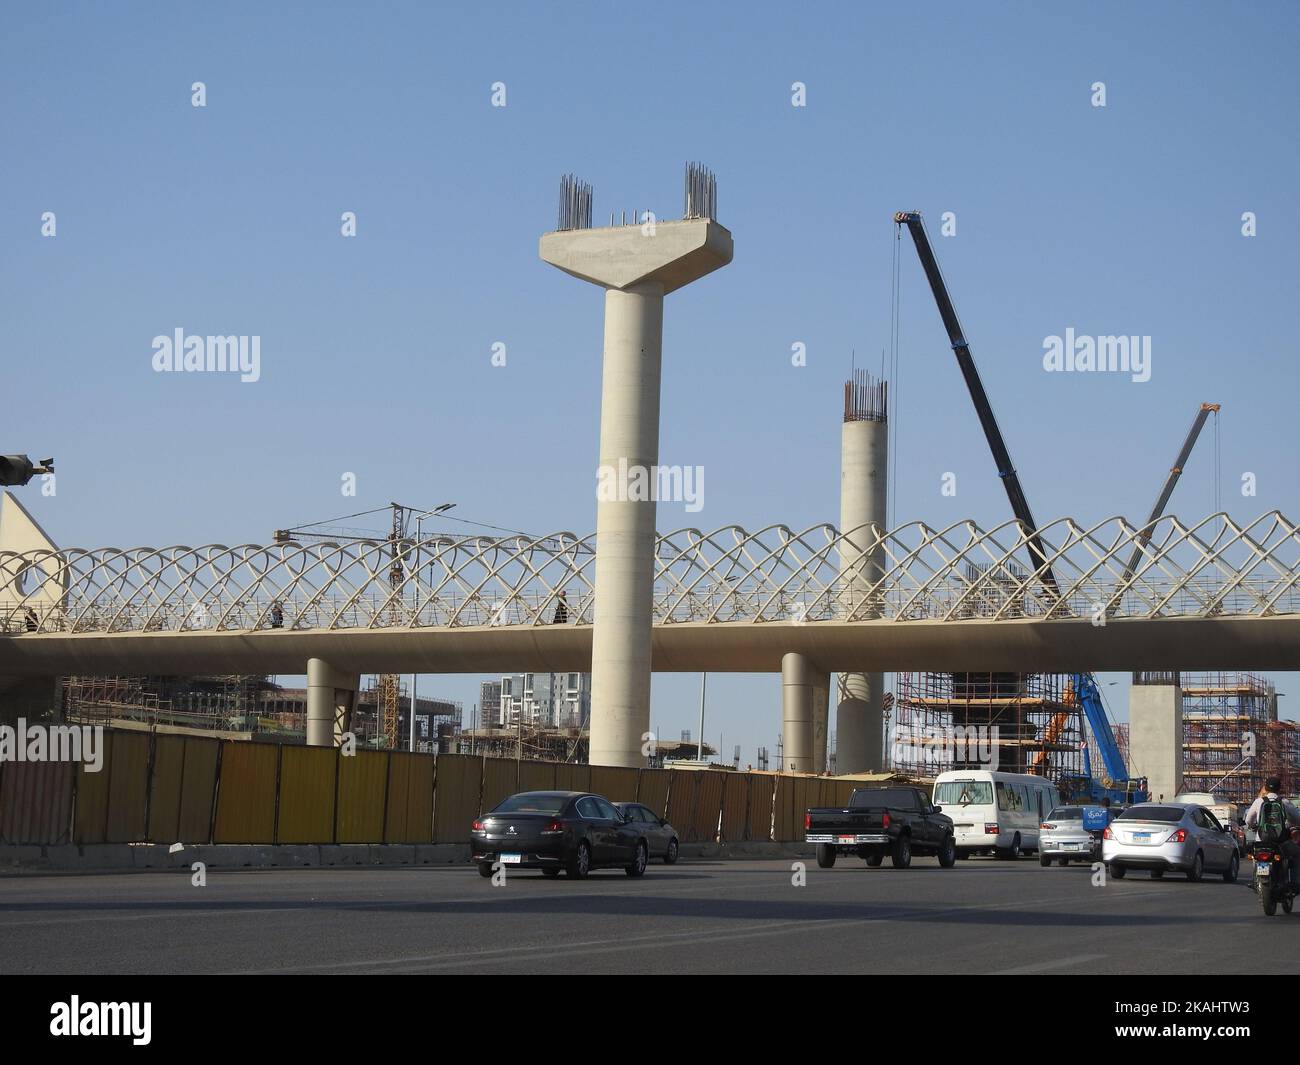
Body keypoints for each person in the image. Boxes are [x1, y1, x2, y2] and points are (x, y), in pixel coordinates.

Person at [1245, 776, 1300, 890]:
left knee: (1256, 856)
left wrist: (1253, 826)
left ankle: (1256, 880)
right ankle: (1295, 882)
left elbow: (1248, 820)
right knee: (1296, 853)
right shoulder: (1284, 802)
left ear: (1265, 788)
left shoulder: (1258, 802)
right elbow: (1297, 819)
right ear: (1279, 789)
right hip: (1280, 842)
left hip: (1262, 840)